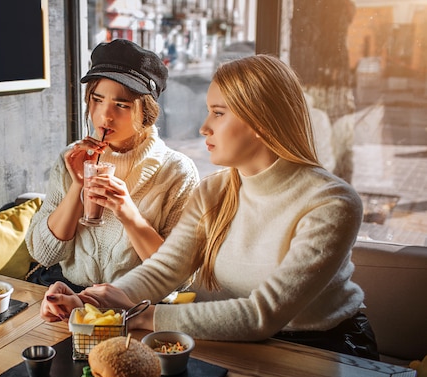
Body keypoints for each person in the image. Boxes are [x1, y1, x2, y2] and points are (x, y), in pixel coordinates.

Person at [40, 54, 379, 360]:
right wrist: (89, 302)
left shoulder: (332, 203)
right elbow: (164, 270)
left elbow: (263, 315)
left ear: (260, 121)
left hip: (325, 350)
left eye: (218, 113)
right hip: (237, 340)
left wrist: (139, 316)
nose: (204, 127)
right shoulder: (215, 190)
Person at [25, 39, 199, 291]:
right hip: (67, 293)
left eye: (121, 105)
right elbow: (44, 255)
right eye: (97, 99)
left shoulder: (177, 172)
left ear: (146, 112)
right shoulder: (72, 158)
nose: (105, 116)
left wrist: (127, 213)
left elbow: (180, 280)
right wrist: (77, 188)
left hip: (136, 304)